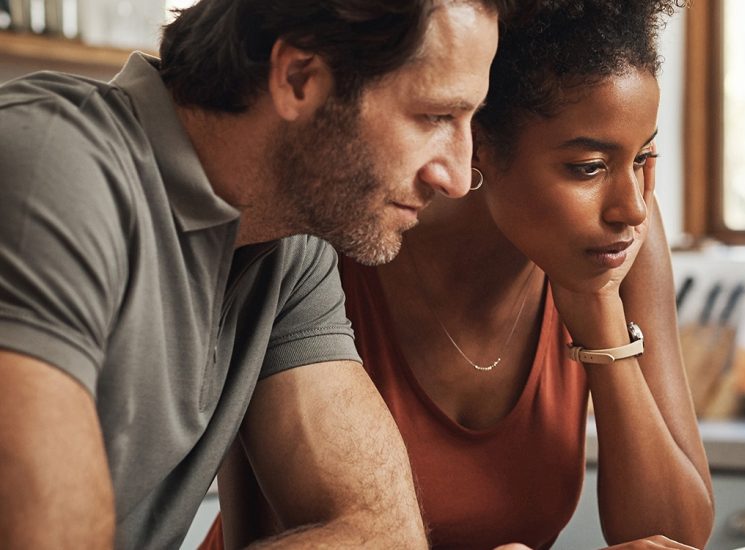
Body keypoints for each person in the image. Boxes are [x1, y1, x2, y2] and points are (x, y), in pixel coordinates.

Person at [0, 0, 510, 547]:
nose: (458, 177)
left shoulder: (289, 245)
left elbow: (381, 531)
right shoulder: (49, 165)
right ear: (297, 79)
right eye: (435, 116)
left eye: (470, 121)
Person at [208, 1, 714, 548]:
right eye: (587, 168)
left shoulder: (617, 243)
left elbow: (678, 537)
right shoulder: (343, 235)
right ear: (481, 145)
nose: (632, 207)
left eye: (643, 157)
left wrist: (600, 318)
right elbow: (256, 534)